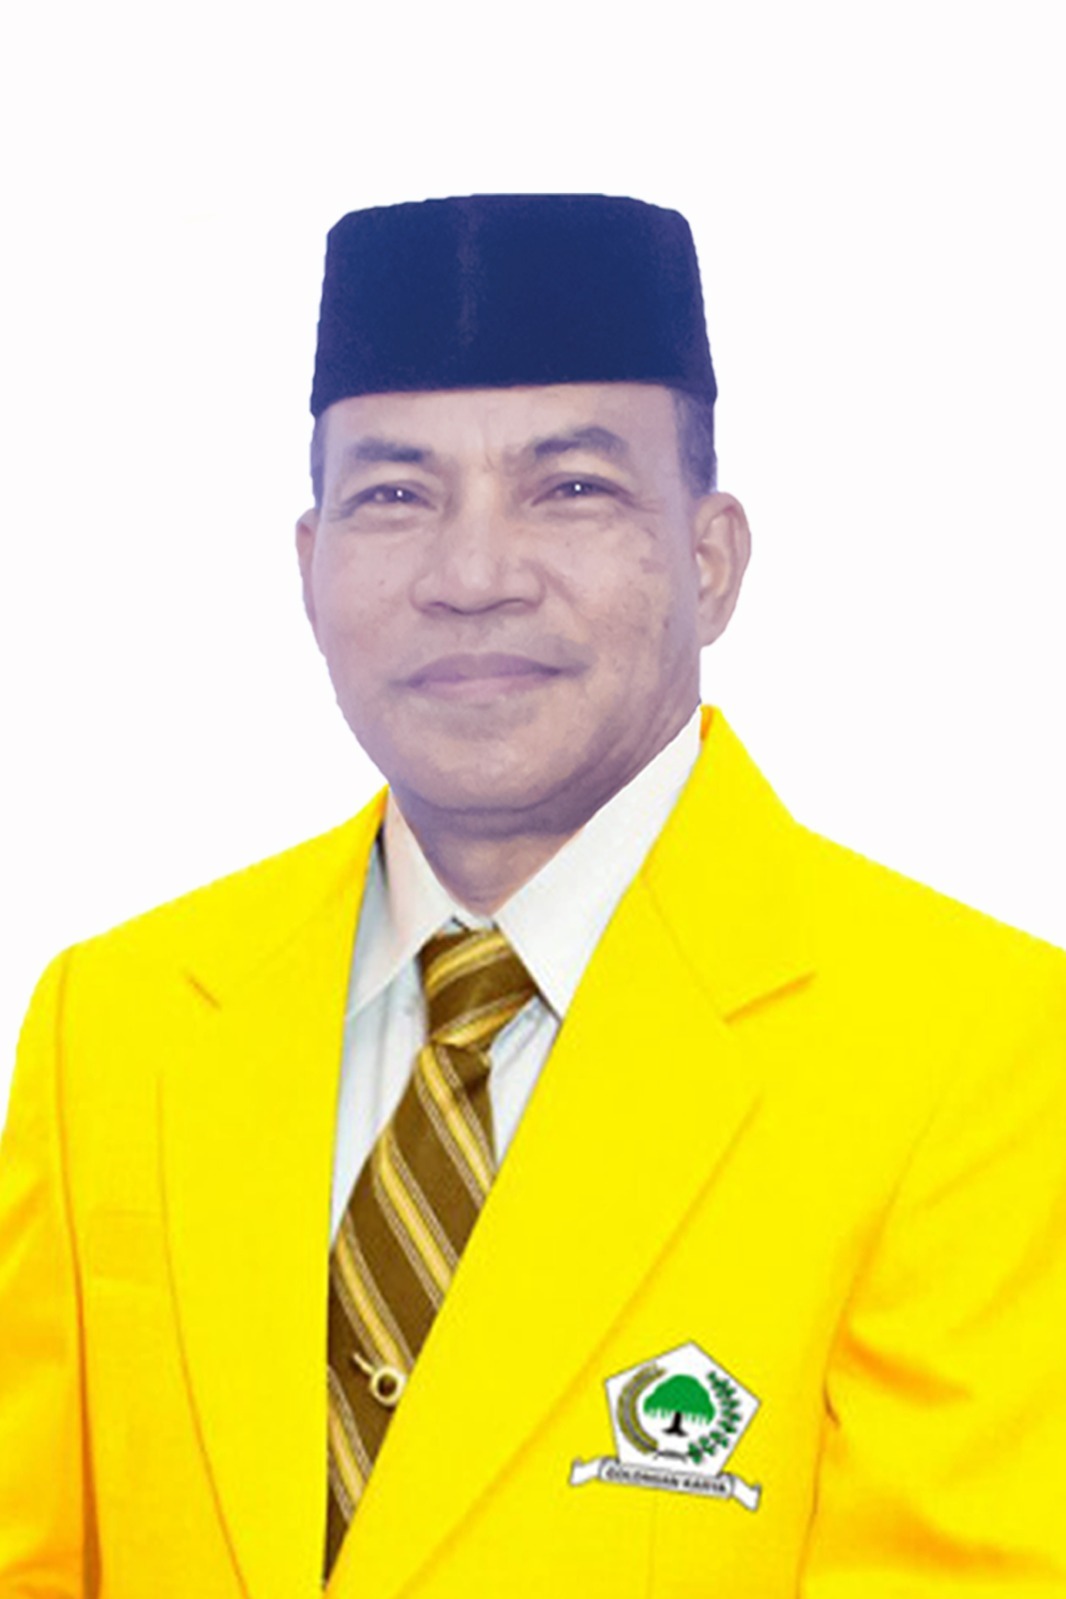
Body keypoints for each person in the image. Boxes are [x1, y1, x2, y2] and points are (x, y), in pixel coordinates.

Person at [1, 193, 1064, 1599]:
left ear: (710, 560)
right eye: (395, 496)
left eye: (570, 489)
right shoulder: (116, 1020)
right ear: (309, 569)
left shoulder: (984, 1055)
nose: (472, 577)